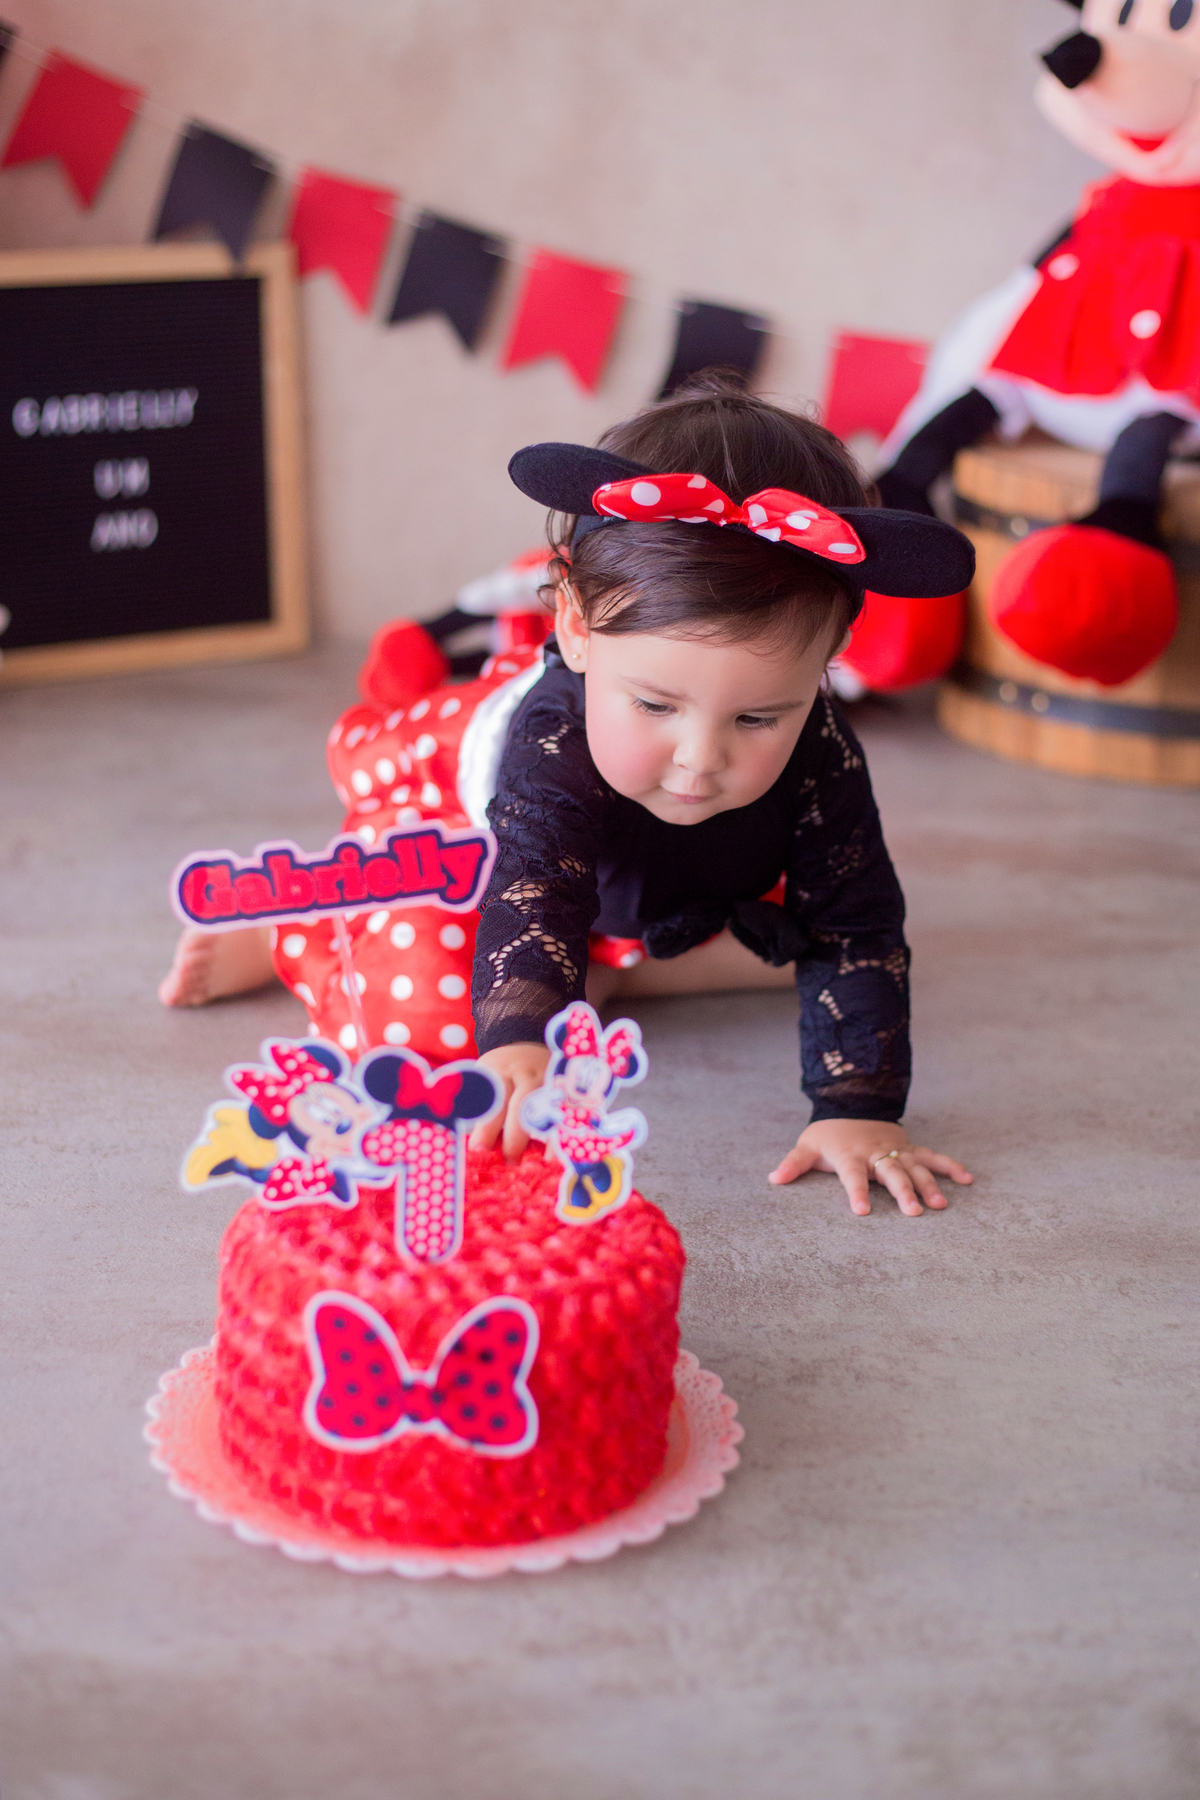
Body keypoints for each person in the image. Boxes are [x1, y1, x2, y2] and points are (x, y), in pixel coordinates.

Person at [467, 378, 977, 1217]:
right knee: (437, 1002)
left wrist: (858, 1107)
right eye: (657, 706)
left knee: (814, 953)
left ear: (829, 661)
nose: (700, 759)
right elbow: (535, 890)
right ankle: (293, 938)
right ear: (576, 628)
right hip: (507, 858)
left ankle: (620, 968)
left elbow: (857, 923)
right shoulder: (551, 738)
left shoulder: (822, 749)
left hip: (678, 877)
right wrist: (522, 1040)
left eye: (757, 716)